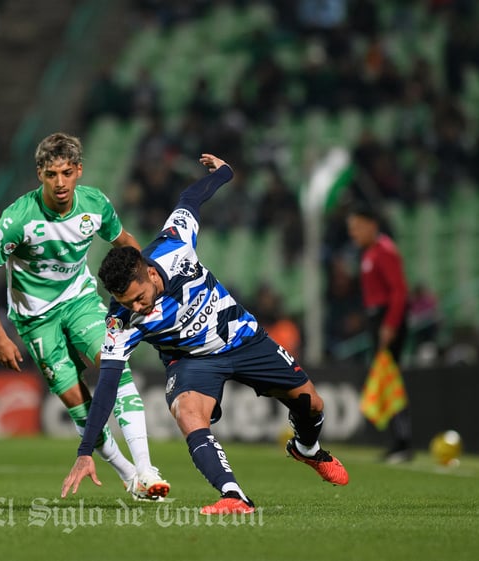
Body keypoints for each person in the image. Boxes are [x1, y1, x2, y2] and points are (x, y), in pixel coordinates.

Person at [61, 154, 348, 516]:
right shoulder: (121, 320)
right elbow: (106, 385)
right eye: (125, 303)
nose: (135, 308)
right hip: (192, 361)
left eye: (137, 299)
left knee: (312, 405)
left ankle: (306, 449)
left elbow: (190, 200)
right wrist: (85, 451)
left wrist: (225, 172)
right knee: (187, 412)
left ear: (150, 274)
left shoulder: (175, 246)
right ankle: (234, 496)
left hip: (244, 339)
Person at [0, 132, 169, 500]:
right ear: (39, 175)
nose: (59, 183)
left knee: (114, 364)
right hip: (35, 321)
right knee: (80, 408)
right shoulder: (18, 219)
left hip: (80, 301)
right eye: (51, 174)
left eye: (66, 172)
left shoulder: (95, 205)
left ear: (78, 171)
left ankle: (146, 468)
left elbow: (124, 242)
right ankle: (129, 476)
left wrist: (148, 281)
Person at [346, 203, 414, 462]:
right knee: (387, 381)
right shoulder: (369, 253)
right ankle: (398, 441)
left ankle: (403, 442)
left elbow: (398, 291)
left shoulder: (385, 251)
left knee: (390, 380)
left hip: (387, 319)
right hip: (377, 319)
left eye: (356, 228)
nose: (353, 234)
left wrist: (390, 325)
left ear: (371, 225)